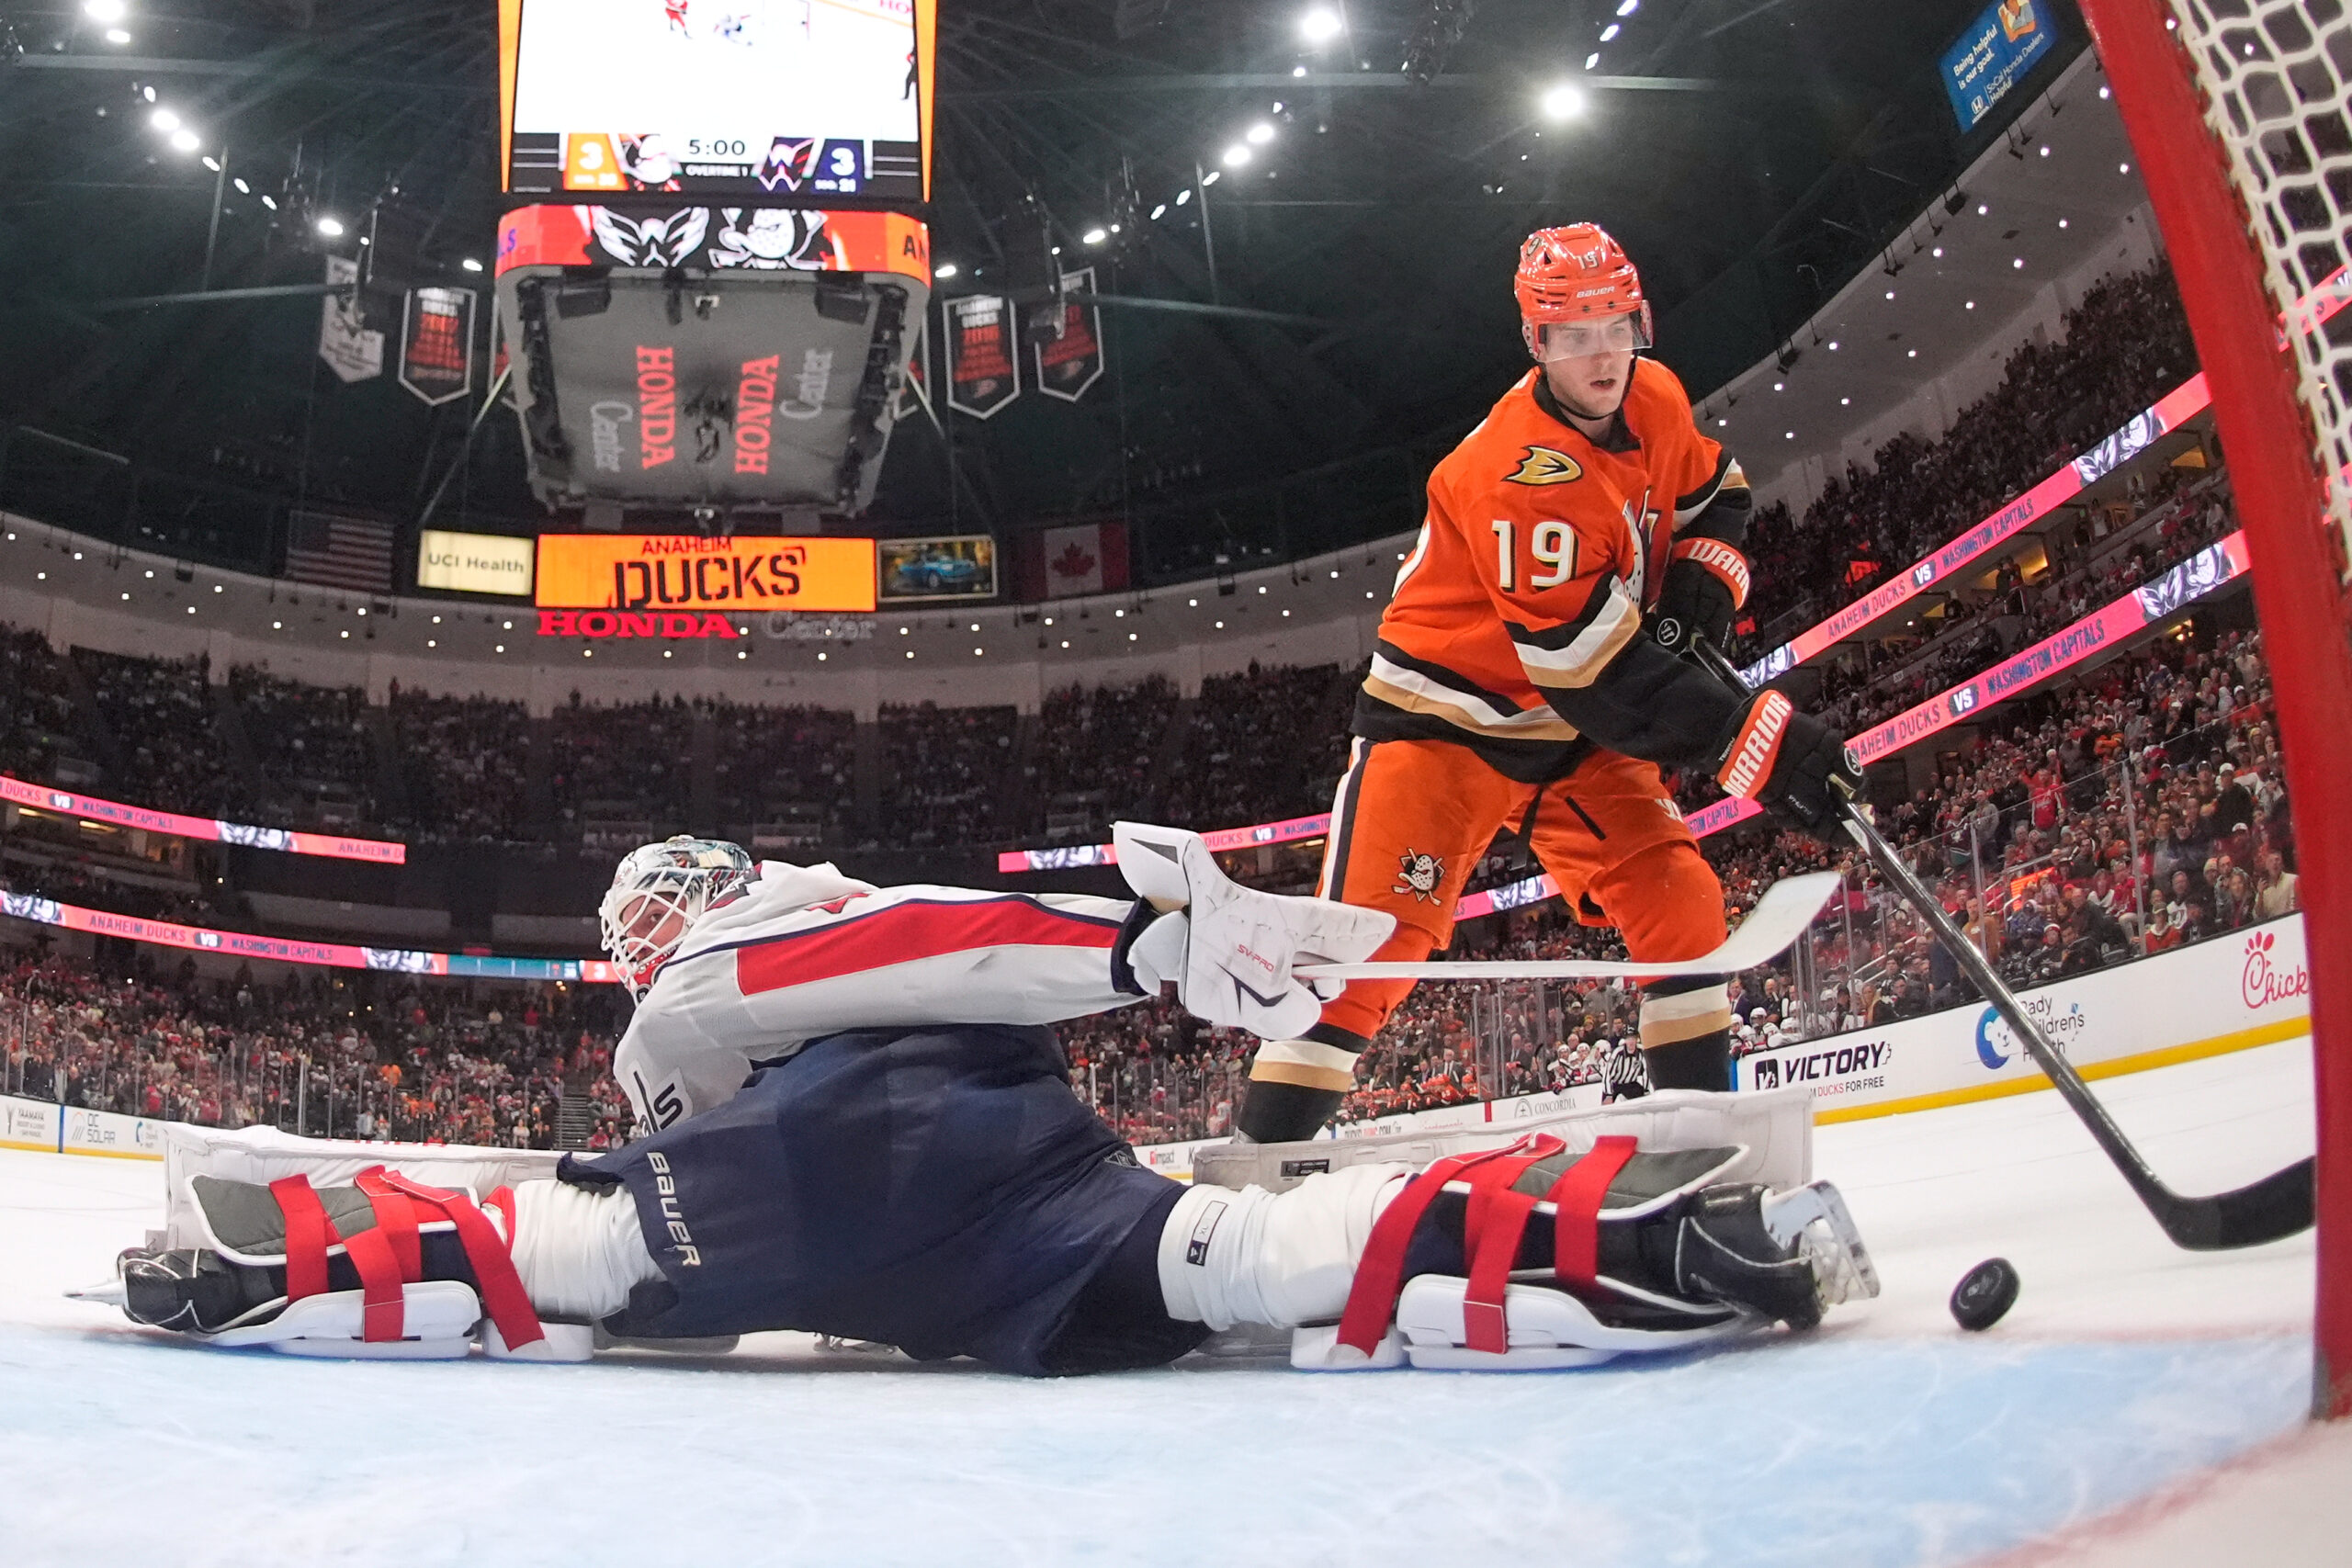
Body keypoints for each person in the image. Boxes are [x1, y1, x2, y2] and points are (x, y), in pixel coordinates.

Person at [80, 829, 1873, 1373]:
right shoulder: (766, 924)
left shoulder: (654, 1025)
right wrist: (1145, 940)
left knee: (552, 1245)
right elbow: (925, 954)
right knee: (1244, 1254)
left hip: (753, 1228)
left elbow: (669, 1173)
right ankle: (1649, 1233)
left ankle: (277, 1259)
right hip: (1016, 1229)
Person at [1231, 223, 1862, 1144]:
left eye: (1618, 323)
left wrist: (1698, 584)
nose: (1602, 352)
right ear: (1537, 342)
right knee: (1367, 952)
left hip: (1568, 735)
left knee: (1680, 904)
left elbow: (1715, 489)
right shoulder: (1514, 475)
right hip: (1446, 724)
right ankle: (1263, 1161)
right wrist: (1760, 745)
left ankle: (1701, 1145)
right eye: (1573, 333)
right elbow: (1592, 677)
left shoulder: (1655, 393)